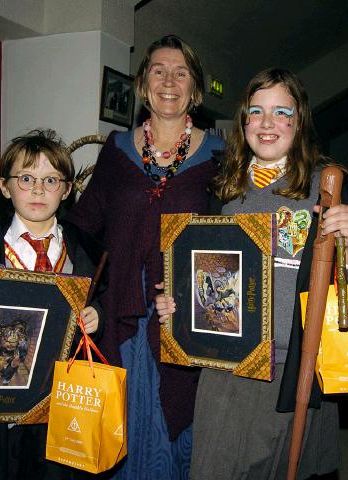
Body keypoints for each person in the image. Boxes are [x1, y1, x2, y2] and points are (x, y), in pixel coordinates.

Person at [156, 68, 348, 479]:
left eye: (281, 112)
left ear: (299, 120)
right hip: (229, 366)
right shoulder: (221, 187)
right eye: (256, 112)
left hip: (297, 364)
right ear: (243, 122)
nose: (267, 123)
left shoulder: (328, 186)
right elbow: (197, 271)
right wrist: (177, 303)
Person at [67, 35, 225, 478]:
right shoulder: (117, 151)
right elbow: (82, 227)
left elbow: (238, 232)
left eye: (181, 72)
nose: (169, 81)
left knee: (173, 421)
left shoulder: (220, 157)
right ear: (142, 83)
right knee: (121, 419)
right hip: (120, 308)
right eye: (158, 70)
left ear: (195, 89)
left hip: (182, 314)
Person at [0, 129, 104, 480]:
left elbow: (105, 300)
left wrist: (97, 315)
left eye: (51, 180)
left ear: (67, 189)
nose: (38, 190)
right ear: (4, 186)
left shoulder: (89, 251)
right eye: (26, 178)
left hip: (58, 402)